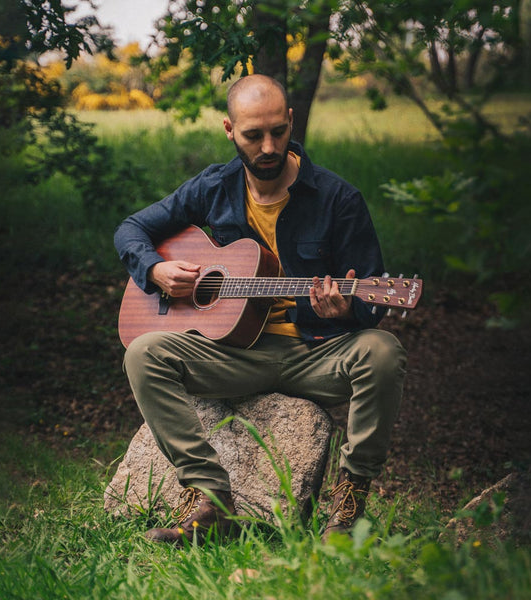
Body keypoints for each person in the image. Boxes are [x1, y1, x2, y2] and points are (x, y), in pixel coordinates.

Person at [114, 74, 407, 545]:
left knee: (383, 351)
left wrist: (343, 311)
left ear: (291, 121)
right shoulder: (213, 187)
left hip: (315, 353)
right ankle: (210, 498)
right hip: (234, 354)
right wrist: (155, 272)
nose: (268, 146)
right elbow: (131, 230)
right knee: (143, 353)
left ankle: (349, 500)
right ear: (230, 130)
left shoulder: (338, 199)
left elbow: (371, 309)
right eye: (253, 135)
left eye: (278, 131)